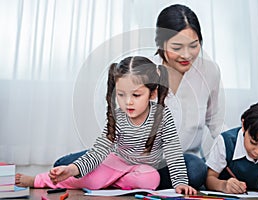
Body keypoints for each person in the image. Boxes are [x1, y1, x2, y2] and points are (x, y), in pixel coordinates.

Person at [53, 4, 225, 190]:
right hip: (129, 159)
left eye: (194, 45)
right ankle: (128, 178)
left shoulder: (210, 71)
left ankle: (121, 180)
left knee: (196, 169)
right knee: (63, 165)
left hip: (176, 163)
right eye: (177, 47)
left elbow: (216, 123)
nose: (186, 55)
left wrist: (230, 161)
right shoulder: (144, 71)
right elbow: (116, 127)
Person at [15, 56, 197, 195]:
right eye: (121, 95)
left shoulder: (163, 116)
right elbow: (98, 151)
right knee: (91, 179)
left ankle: (110, 182)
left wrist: (180, 182)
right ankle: (39, 180)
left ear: (152, 93)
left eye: (136, 95)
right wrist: (71, 169)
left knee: (151, 179)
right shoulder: (118, 117)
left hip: (143, 169)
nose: (128, 103)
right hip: (116, 162)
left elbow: (173, 151)